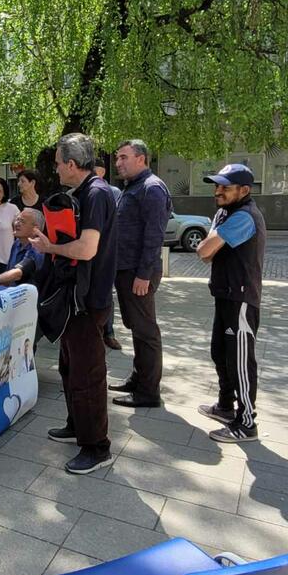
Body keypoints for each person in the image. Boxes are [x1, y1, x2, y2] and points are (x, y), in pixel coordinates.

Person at [30, 132, 118, 474]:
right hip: (76, 297)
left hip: (88, 299)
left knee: (87, 373)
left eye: (57, 163)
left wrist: (49, 248)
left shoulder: (96, 193)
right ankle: (77, 426)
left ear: (70, 163)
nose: (55, 169)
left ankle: (97, 447)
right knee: (70, 366)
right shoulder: (81, 193)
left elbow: (86, 249)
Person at [195, 164, 267, 443]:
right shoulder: (226, 212)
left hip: (241, 299)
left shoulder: (245, 216)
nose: (218, 192)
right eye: (217, 186)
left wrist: (212, 241)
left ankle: (247, 422)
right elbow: (208, 254)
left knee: (240, 361)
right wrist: (212, 241)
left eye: (225, 187)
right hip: (225, 294)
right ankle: (226, 406)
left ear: (244, 190)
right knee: (220, 353)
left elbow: (204, 250)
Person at [106, 139, 172, 409]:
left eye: (124, 157)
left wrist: (143, 275)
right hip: (126, 270)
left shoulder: (151, 188)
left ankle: (148, 392)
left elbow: (154, 236)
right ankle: (139, 378)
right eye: (117, 158)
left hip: (138, 272)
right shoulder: (132, 187)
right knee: (136, 328)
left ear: (142, 159)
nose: (118, 163)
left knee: (146, 331)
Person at [93, 158, 124, 351]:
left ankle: (109, 333)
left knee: (107, 294)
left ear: (102, 172)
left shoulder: (113, 193)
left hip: (107, 252)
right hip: (87, 254)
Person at [0, 208, 45, 286]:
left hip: (27, 296)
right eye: (17, 219)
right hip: (10, 293)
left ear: (35, 229)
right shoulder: (17, 243)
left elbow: (17, 274)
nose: (17, 223)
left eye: (22, 221)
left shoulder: (38, 247)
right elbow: (9, 274)